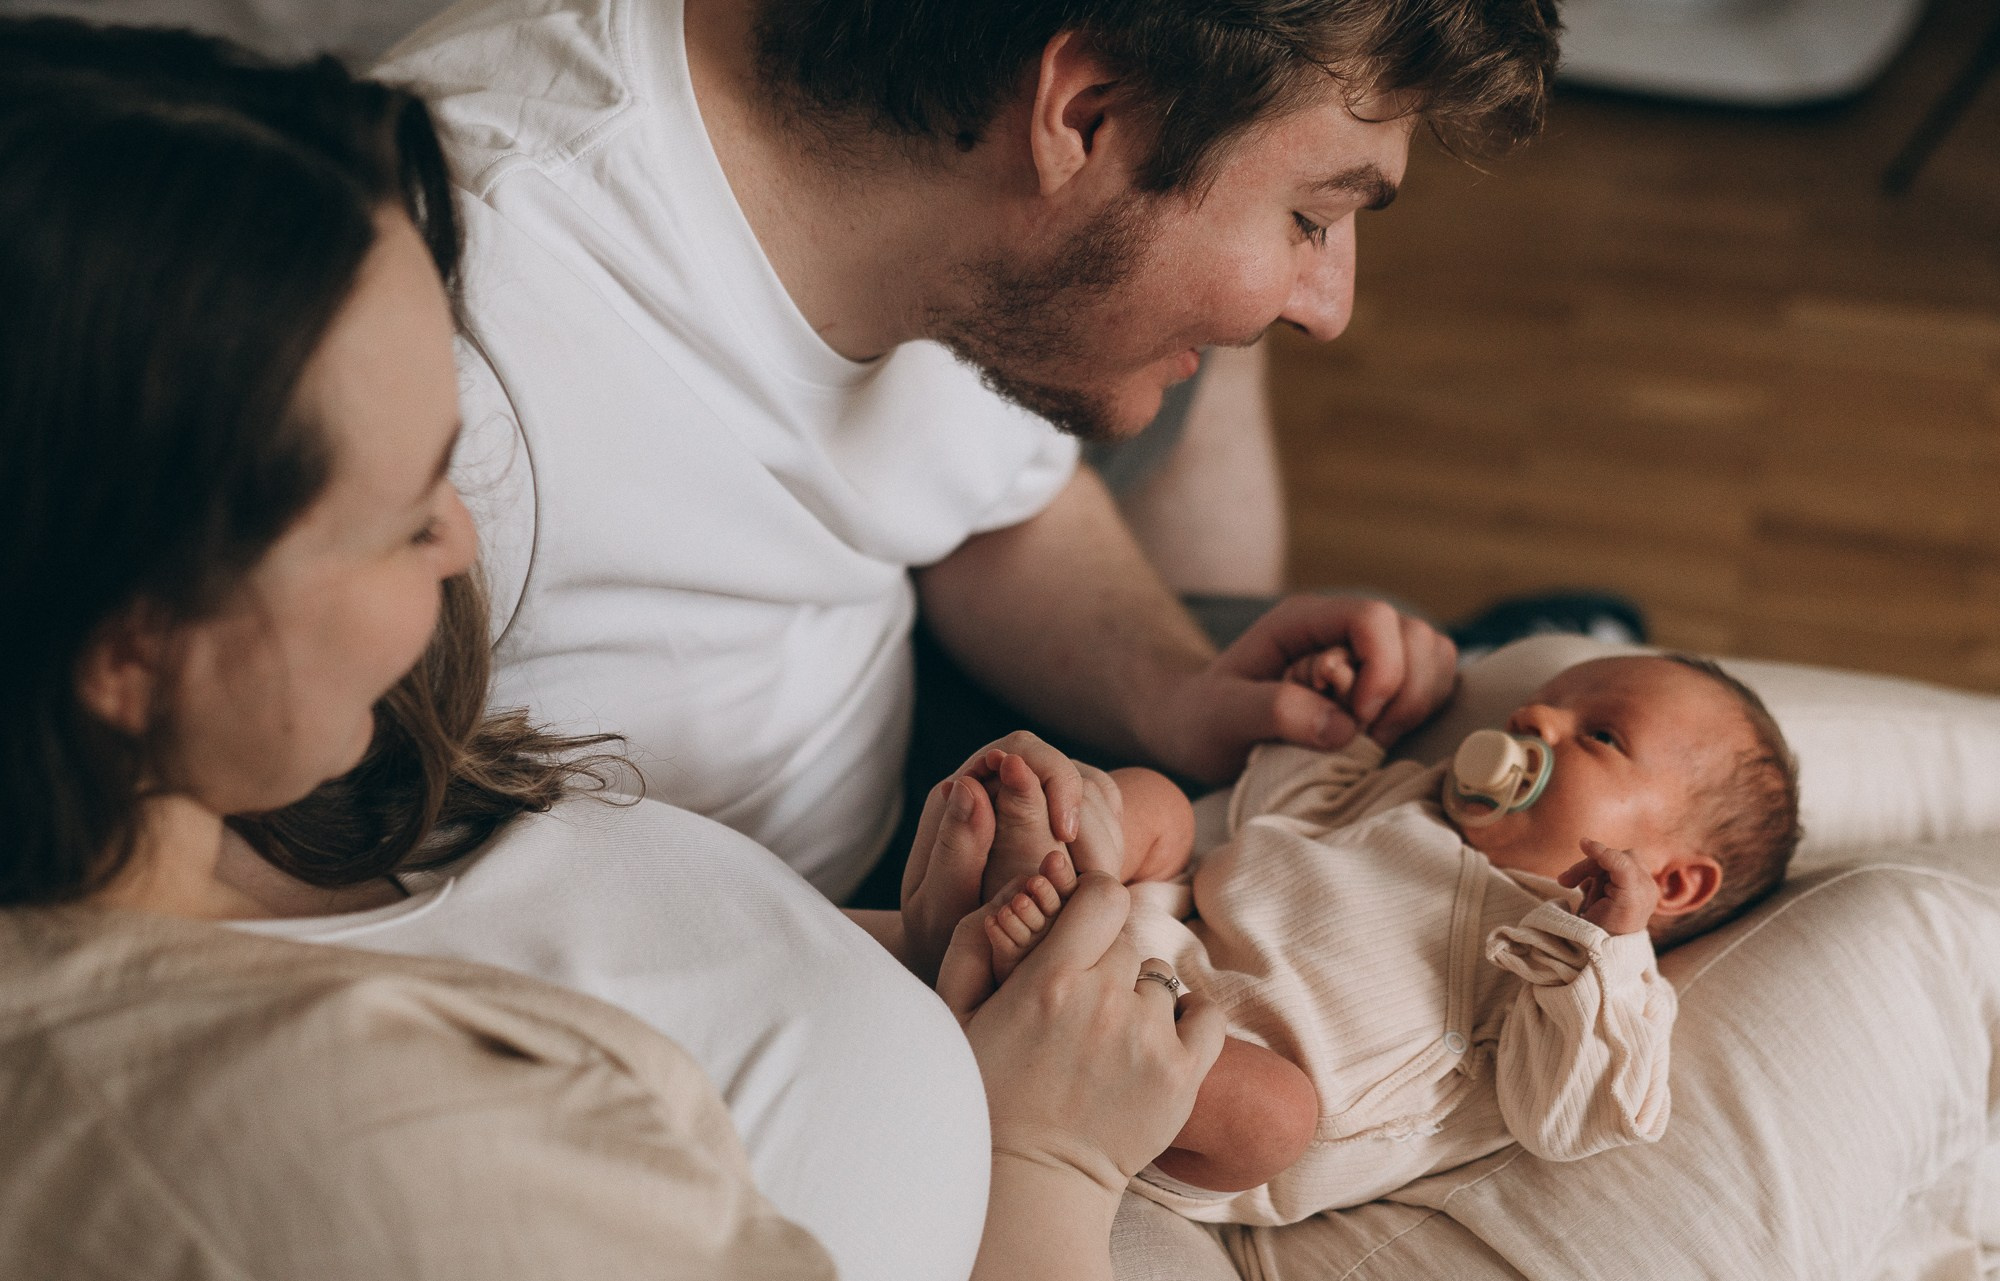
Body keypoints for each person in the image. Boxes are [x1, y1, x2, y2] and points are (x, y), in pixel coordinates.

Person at [0, 22, 1222, 1281]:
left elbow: (616, 959)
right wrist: (1044, 1159)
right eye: (403, 512)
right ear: (130, 649)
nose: (461, 535)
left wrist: (924, 951)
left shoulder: (270, 791)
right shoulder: (356, 1155)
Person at [369, 0, 1558, 903]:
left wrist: (1174, 691)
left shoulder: (952, 201)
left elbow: (990, 501)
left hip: (912, 802)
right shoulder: (449, 358)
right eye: (1312, 217)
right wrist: (906, 974)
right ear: (1083, 117)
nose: (1329, 305)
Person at [970, 653, 1803, 1225]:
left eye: (1602, 736)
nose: (1538, 715)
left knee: (1277, 1113)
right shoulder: (1402, 801)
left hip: (1197, 1096)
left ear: (1675, 881)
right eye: (1538, 705)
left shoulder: (1591, 977)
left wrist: (1602, 946)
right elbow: (1282, 801)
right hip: (1151, 940)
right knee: (1158, 804)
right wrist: (1340, 709)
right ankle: (1055, 885)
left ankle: (1042, 958)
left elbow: (1566, 1115)